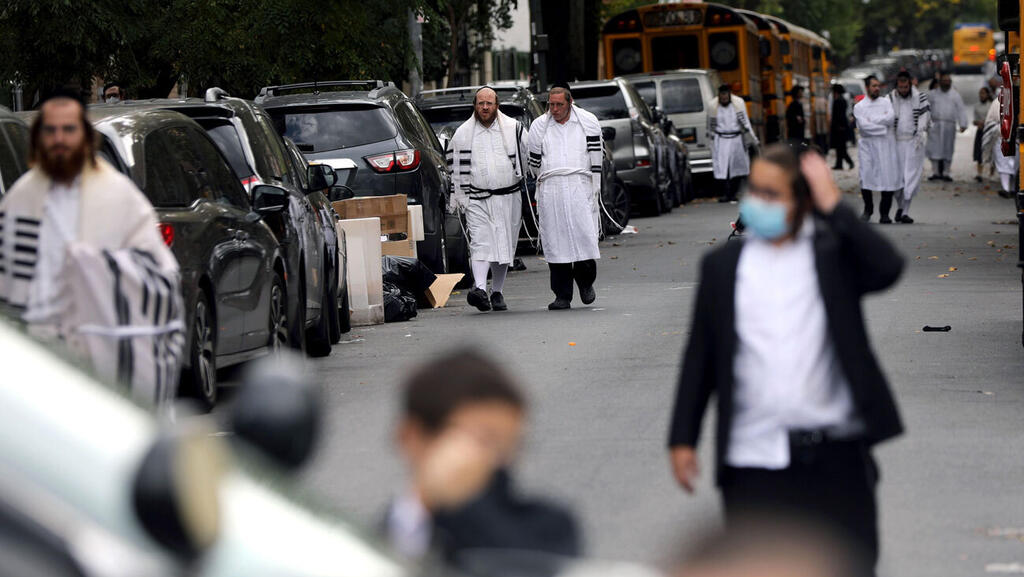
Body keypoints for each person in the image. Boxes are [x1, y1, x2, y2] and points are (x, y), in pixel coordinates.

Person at [666, 144, 905, 577]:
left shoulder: (831, 255)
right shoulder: (723, 267)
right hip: (753, 458)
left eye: (772, 194)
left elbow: (887, 267)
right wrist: (683, 438)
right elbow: (701, 355)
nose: (759, 202)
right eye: (754, 190)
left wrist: (835, 205)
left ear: (803, 203)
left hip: (836, 457)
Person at [0, 89, 181, 405]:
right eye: (50, 130)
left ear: (85, 137)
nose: (59, 139)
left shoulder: (120, 197)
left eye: (68, 129)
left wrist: (95, 268)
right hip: (38, 362)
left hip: (100, 364)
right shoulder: (20, 200)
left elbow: (160, 276)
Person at [387, 348, 580, 564]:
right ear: (412, 438)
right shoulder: (371, 543)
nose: (497, 462)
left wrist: (465, 504)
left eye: (511, 447)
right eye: (482, 441)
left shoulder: (547, 527)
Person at [448, 87, 529, 312]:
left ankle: (497, 292)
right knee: (481, 242)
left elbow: (531, 153)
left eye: (489, 103)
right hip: (476, 199)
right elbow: (454, 167)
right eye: (481, 103)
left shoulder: (514, 128)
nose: (485, 107)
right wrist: (458, 195)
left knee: (503, 245)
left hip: (509, 198)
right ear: (475, 105)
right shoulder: (463, 133)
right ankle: (481, 290)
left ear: (496, 106)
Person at [526, 85, 603, 310]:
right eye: (551, 104)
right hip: (552, 189)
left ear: (570, 102)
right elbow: (533, 164)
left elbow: (596, 157)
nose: (555, 109)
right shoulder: (539, 126)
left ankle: (586, 283)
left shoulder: (587, 122)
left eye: (559, 104)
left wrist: (593, 185)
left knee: (583, 236)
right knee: (555, 242)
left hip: (579, 187)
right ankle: (562, 295)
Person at [853, 76, 901, 223]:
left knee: (887, 178)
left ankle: (884, 213)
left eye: (878, 86)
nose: (877, 88)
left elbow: (890, 119)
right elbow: (863, 127)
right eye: (874, 86)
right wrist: (882, 127)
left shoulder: (886, 103)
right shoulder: (859, 107)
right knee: (866, 177)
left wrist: (872, 121)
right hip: (867, 147)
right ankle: (868, 209)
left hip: (886, 146)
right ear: (867, 87)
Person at [889, 70, 931, 224]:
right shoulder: (889, 99)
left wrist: (920, 134)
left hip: (914, 143)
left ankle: (905, 211)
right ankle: (900, 207)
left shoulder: (920, 98)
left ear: (910, 84)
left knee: (910, 178)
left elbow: (924, 119)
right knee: (896, 179)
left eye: (906, 87)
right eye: (900, 87)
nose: (903, 90)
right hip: (895, 143)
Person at [708, 84, 759, 204]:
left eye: (726, 95)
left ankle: (733, 193)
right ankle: (725, 194)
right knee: (723, 168)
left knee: (736, 168)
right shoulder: (713, 106)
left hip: (736, 139)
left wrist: (753, 139)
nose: (724, 98)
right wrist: (711, 142)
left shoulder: (738, 103)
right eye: (722, 96)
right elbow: (710, 126)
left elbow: (745, 122)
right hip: (721, 140)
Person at [926, 71, 968, 181]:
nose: (946, 82)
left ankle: (946, 172)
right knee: (934, 148)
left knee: (948, 148)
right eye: (944, 80)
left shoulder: (955, 95)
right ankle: (935, 172)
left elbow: (961, 109)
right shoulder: (932, 94)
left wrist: (963, 123)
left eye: (948, 81)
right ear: (940, 82)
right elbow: (926, 109)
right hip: (935, 125)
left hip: (949, 125)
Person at [981, 96, 1019, 199]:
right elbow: (990, 121)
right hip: (1000, 136)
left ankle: (1012, 189)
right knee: (1003, 164)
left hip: (1016, 138)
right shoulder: (997, 102)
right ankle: (1007, 189)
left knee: (1015, 165)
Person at [829, 84, 854, 170]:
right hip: (841, 127)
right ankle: (839, 164)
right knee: (839, 147)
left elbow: (839, 115)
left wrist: (839, 126)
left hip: (839, 128)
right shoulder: (842, 100)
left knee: (841, 147)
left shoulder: (838, 101)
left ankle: (849, 162)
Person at [974, 86, 994, 182]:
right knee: (979, 152)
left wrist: (985, 123)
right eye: (980, 93)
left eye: (983, 93)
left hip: (990, 131)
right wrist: (978, 123)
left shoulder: (991, 106)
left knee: (991, 152)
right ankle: (979, 173)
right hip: (980, 131)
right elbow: (974, 120)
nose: (981, 95)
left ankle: (991, 173)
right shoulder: (977, 106)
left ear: (987, 94)